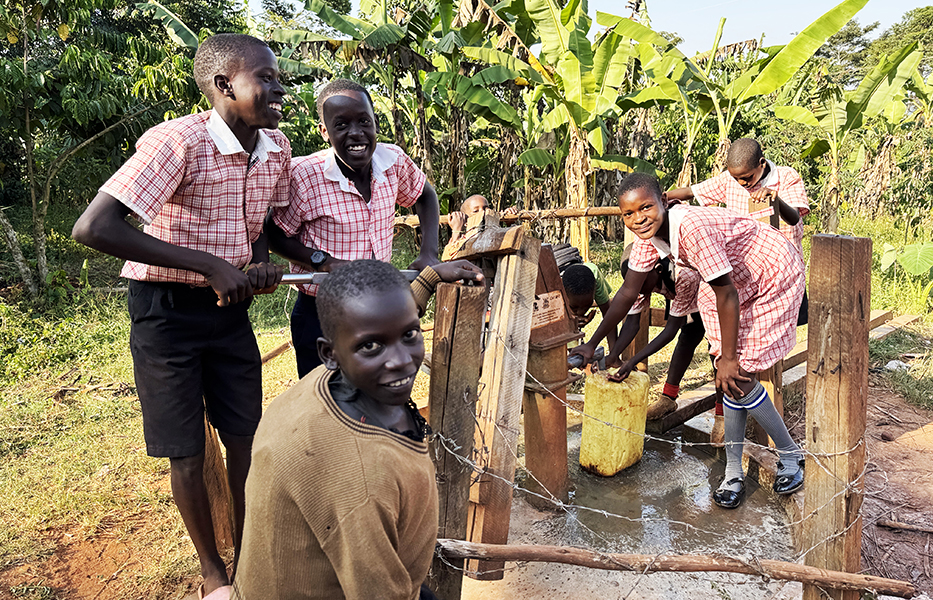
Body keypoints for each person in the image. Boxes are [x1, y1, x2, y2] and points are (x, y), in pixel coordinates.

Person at [71, 34, 290, 599]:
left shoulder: (276, 148)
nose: (278, 87)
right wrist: (209, 265)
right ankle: (213, 574)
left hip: (229, 310)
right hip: (165, 312)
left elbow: (260, 216)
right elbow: (95, 228)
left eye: (279, 77)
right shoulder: (179, 142)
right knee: (187, 449)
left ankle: (249, 562)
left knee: (246, 438)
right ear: (224, 85)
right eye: (265, 77)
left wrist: (258, 264)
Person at [231, 259, 484, 600]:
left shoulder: (331, 380)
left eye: (410, 335)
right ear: (329, 353)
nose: (400, 360)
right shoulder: (364, 479)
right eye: (371, 347)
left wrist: (429, 279)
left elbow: (383, 321)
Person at [571, 173, 806, 510]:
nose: (638, 219)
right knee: (731, 382)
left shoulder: (690, 227)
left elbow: (725, 292)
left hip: (770, 273)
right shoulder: (646, 239)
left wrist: (728, 357)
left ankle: (789, 455)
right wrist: (591, 344)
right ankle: (734, 471)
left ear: (665, 202)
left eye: (646, 208)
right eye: (628, 214)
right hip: (729, 282)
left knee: (738, 374)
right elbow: (627, 292)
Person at [267, 78, 441, 379]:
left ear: (375, 123)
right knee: (326, 398)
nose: (356, 133)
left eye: (364, 121)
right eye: (342, 125)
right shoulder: (305, 175)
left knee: (383, 387)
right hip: (321, 309)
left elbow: (425, 195)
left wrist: (429, 253)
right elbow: (274, 233)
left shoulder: (393, 161)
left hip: (379, 303)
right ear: (325, 132)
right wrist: (322, 260)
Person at [665, 138, 809, 325]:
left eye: (747, 177)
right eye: (736, 178)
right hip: (745, 271)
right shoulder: (728, 180)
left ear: (762, 163)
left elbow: (794, 218)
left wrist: (775, 199)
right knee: (748, 328)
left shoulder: (786, 177)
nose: (742, 183)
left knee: (779, 329)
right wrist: (657, 200)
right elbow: (691, 192)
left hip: (782, 270)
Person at [605, 250, 706, 421]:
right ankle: (668, 398)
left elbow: (669, 331)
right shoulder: (638, 281)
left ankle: (722, 414)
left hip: (712, 292)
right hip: (688, 294)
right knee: (688, 336)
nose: (636, 287)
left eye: (640, 282)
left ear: (658, 269)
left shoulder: (683, 275)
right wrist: (613, 355)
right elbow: (632, 323)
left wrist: (633, 360)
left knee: (717, 351)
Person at [561, 262, 618, 351]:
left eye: (586, 306)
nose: (581, 313)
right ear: (563, 295)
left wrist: (614, 354)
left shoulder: (594, 276)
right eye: (574, 307)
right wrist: (569, 322)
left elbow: (609, 315)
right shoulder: (551, 286)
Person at [442, 194, 518, 260]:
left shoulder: (497, 234)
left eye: (486, 208)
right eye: (476, 211)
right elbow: (450, 259)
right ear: (465, 222)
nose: (483, 212)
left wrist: (509, 225)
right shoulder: (461, 239)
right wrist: (456, 229)